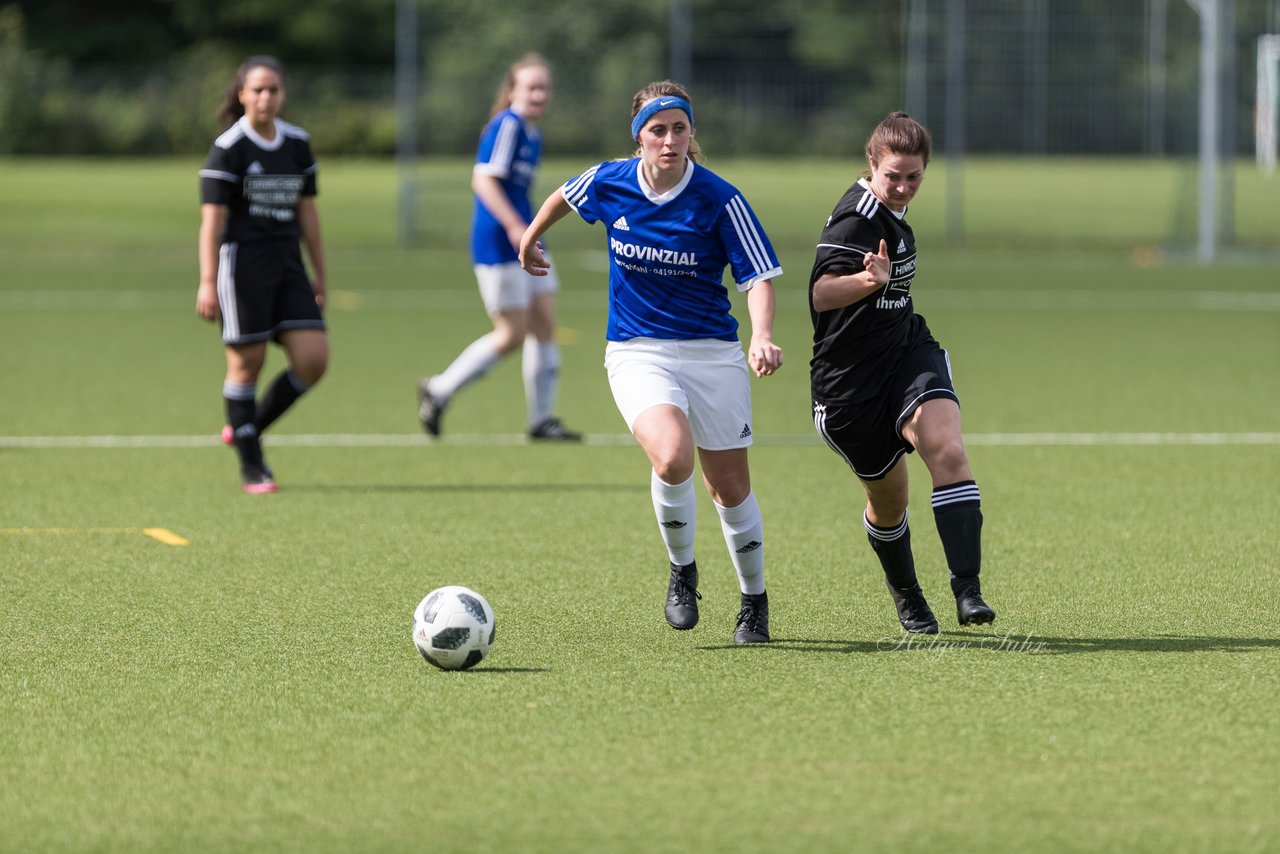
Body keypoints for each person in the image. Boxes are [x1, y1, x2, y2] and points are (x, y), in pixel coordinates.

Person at [519, 80, 784, 644]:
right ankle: (683, 572)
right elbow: (564, 196)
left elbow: (757, 275)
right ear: (638, 137)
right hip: (638, 351)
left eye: (679, 130)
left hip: (714, 354)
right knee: (670, 457)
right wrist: (530, 238)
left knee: (730, 488)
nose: (669, 141)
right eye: (658, 131)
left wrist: (761, 334)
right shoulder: (611, 180)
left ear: (692, 134)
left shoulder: (720, 198)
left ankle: (754, 600)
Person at [807, 112, 996, 634]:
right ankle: (909, 595)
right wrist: (867, 281)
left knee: (948, 450)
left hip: (906, 352)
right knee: (888, 504)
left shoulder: (895, 207)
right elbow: (821, 293)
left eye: (914, 177)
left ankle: (968, 590)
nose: (903, 186)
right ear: (871, 164)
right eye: (893, 175)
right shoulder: (856, 219)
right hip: (849, 387)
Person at [417, 54, 580, 442]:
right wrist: (513, 226)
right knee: (511, 334)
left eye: (544, 87)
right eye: (531, 87)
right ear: (512, 91)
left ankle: (542, 421)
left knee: (544, 326)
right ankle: (439, 390)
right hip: (501, 241)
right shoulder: (506, 125)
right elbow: (483, 181)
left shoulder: (531, 132)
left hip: (529, 236)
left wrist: (528, 229)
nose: (539, 94)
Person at [197, 56, 329, 493]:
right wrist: (206, 280)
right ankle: (253, 465)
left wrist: (320, 274)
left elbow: (308, 214)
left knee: (313, 360)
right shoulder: (229, 147)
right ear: (242, 95)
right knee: (247, 363)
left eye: (273, 89)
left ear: (282, 94)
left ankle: (244, 427)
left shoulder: (297, 143)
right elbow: (212, 222)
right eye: (257, 90)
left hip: (289, 265)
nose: (266, 97)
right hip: (242, 268)